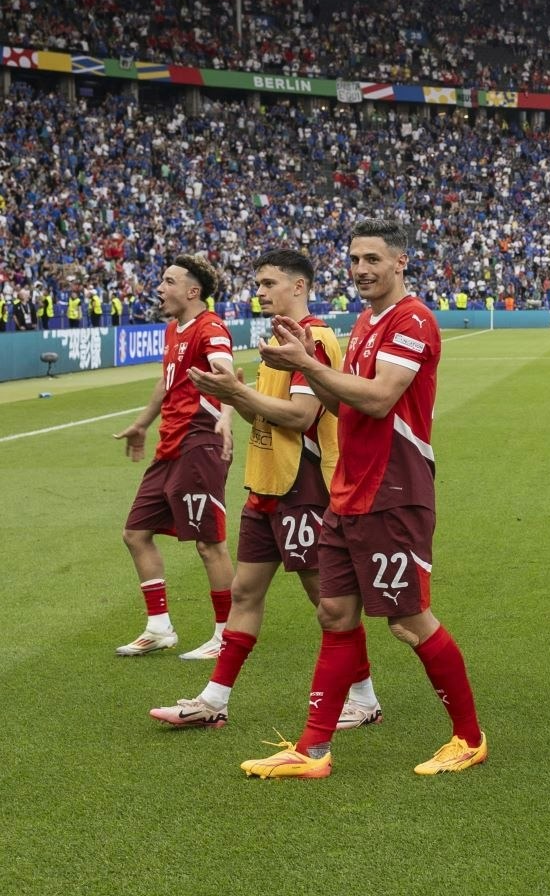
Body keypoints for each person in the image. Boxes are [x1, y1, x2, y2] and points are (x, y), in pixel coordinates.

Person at [238, 218, 486, 779]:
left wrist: (306, 364)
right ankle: (312, 751)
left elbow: (378, 399)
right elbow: (339, 404)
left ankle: (469, 738)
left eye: (372, 259)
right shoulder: (366, 322)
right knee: (334, 613)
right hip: (349, 490)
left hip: (392, 490)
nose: (360, 270)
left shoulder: (412, 320)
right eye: (354, 260)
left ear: (400, 262)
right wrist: (315, 365)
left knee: (409, 620)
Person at [154, 250, 382, 731]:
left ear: (298, 287)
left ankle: (364, 698)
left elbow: (301, 417)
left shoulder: (314, 339)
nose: (259, 291)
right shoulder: (277, 339)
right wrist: (236, 401)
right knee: (244, 593)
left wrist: (237, 395)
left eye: (268, 283)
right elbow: (266, 411)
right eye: (258, 284)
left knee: (329, 603)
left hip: (304, 485)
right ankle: (214, 701)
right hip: (266, 484)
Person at [111, 255, 236, 661]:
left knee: (209, 543)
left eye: (168, 281)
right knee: (135, 533)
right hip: (170, 446)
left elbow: (225, 373)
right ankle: (159, 628)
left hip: (200, 443)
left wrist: (227, 416)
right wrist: (142, 424)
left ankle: (227, 634)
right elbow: (166, 383)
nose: (160, 288)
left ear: (192, 291)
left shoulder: (210, 327)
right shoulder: (173, 330)